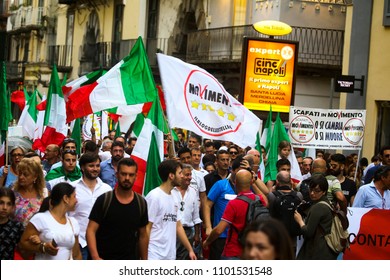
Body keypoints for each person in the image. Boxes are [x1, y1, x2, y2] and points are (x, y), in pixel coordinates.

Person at [87, 158, 148, 260]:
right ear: (117, 174)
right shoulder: (104, 200)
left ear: (136, 177)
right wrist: (95, 257)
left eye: (131, 175)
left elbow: (143, 235)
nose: (127, 178)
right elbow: (90, 230)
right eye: (123, 174)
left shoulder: (141, 203)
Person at [203, 168, 267, 260]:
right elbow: (266, 200)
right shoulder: (258, 199)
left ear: (235, 182)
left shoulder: (234, 203)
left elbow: (219, 230)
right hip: (252, 251)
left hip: (233, 251)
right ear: (251, 182)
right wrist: (253, 183)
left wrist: (207, 242)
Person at [145, 159, 196, 260]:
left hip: (170, 255)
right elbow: (147, 228)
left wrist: (190, 250)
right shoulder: (154, 196)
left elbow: (178, 226)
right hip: (154, 255)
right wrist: (144, 255)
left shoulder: (173, 196)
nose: (182, 176)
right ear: (171, 176)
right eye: (180, 173)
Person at [19, 182, 81, 260]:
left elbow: (76, 254)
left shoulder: (73, 222)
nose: (77, 201)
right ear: (66, 198)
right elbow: (23, 244)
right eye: (74, 196)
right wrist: (42, 247)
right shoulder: (40, 218)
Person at [69, 153, 112, 259]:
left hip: (101, 242)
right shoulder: (72, 188)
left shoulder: (107, 189)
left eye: (97, 166)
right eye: (91, 166)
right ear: (83, 167)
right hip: (79, 242)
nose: (95, 169)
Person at [294, 174, 338, 260]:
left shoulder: (318, 207)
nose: (312, 193)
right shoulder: (327, 203)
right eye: (311, 189)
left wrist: (299, 220)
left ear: (324, 191)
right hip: (326, 251)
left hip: (316, 252)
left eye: (317, 191)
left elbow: (308, 233)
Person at [172, 164, 202, 259]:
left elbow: (196, 217)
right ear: (180, 175)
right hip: (172, 232)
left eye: (190, 175)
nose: (189, 177)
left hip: (188, 233)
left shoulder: (193, 192)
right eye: (187, 175)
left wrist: (197, 235)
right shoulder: (170, 191)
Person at [13, 158, 48, 228]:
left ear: (35, 176)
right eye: (20, 174)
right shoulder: (13, 191)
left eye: (25, 175)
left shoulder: (44, 194)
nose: (21, 177)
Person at [0, 188, 24, 260]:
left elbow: (24, 249)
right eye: (1, 203)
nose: (5, 207)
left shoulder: (16, 227)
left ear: (13, 207)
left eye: (9, 204)